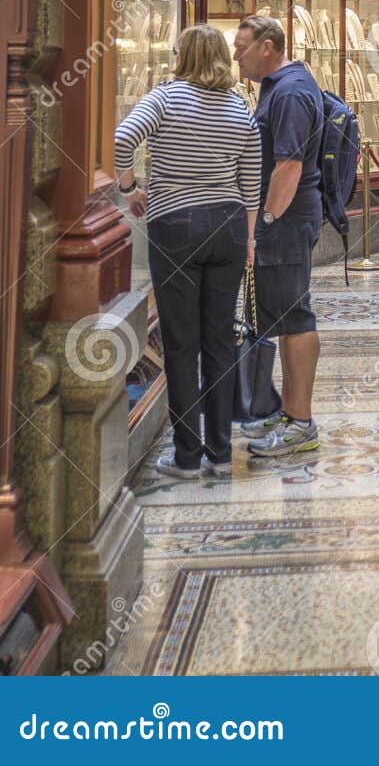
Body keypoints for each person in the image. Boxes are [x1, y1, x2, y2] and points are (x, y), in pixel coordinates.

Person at [114, 25, 259, 481]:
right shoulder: (241, 107)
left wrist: (129, 187)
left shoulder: (165, 98)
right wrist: (250, 240)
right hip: (230, 225)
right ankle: (220, 453)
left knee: (181, 343)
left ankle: (186, 456)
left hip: (176, 223)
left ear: (183, 55)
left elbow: (123, 139)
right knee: (219, 340)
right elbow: (252, 182)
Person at [234, 15, 326, 458]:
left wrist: (264, 223)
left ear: (268, 47)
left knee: (295, 316)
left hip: (286, 220)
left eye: (242, 47)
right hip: (285, 219)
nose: (236, 55)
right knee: (285, 317)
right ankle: (288, 412)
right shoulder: (282, 85)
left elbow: (287, 167)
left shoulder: (289, 92)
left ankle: (301, 423)